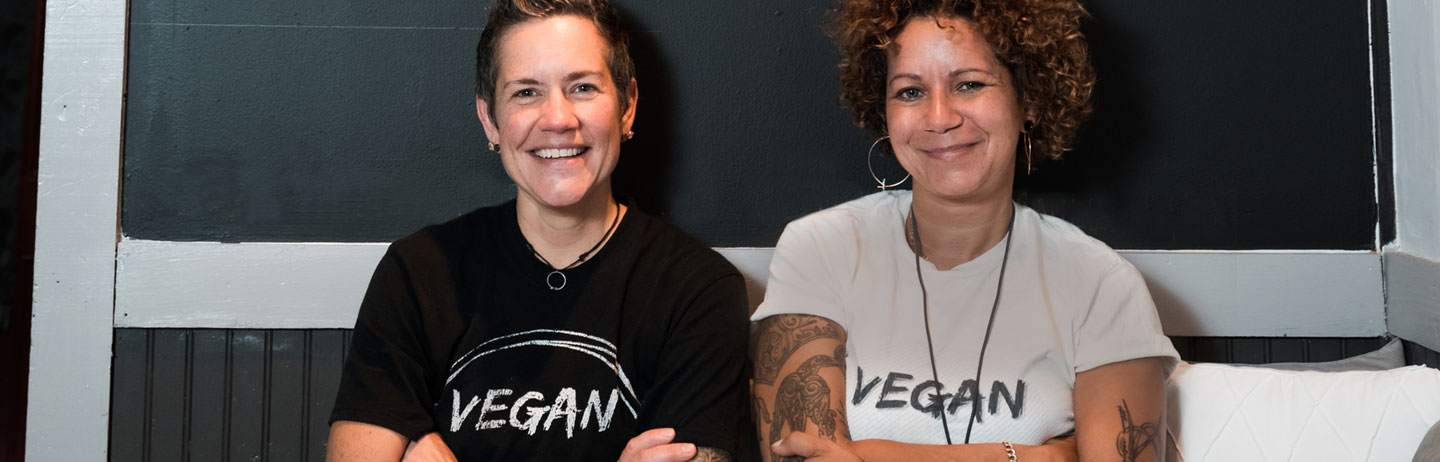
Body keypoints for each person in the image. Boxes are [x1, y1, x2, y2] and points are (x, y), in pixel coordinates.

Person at [750, 1, 1178, 461]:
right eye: (910, 92)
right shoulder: (821, 249)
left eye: (969, 84)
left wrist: (870, 453)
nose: (939, 117)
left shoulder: (1101, 284)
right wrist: (1040, 456)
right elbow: (800, 455)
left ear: (1028, 99)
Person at [326, 1, 752, 460]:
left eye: (583, 87)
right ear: (490, 119)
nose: (558, 119)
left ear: (627, 106)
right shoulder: (417, 274)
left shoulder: (700, 290)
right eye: (526, 93)